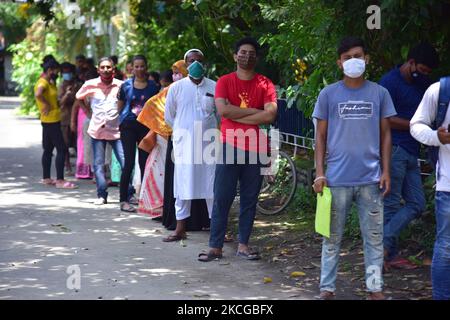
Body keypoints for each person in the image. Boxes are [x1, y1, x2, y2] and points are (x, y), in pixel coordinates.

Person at [312, 37, 396, 300]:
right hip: (335, 181)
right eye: (347, 57)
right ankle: (327, 289)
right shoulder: (328, 94)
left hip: (371, 180)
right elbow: (320, 137)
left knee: (373, 239)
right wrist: (319, 173)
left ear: (366, 59)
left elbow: (386, 135)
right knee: (331, 239)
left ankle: (375, 289)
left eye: (357, 56)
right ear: (339, 63)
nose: (353, 61)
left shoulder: (380, 93)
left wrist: (386, 171)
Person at [198, 37, 278, 262]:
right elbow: (224, 111)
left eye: (251, 53)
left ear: (257, 57)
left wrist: (239, 112)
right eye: (242, 52)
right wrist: (255, 113)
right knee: (222, 196)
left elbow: (271, 114)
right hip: (229, 145)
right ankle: (215, 247)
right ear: (235, 56)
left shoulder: (265, 83)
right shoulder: (224, 81)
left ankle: (244, 245)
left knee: (249, 199)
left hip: (255, 148)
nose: (246, 56)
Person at [379, 42, 439, 270]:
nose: (424, 75)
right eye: (422, 69)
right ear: (411, 62)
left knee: (417, 203)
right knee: (391, 204)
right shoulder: (389, 82)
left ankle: (382, 247)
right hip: (394, 149)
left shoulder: (421, 84)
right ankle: (386, 255)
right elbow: (385, 119)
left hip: (412, 151)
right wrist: (416, 125)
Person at [162, 49, 218, 242]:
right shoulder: (176, 88)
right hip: (184, 143)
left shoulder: (214, 86)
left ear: (204, 64)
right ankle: (180, 229)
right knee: (183, 184)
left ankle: (216, 230)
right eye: (192, 60)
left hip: (209, 144)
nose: (196, 63)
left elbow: (219, 115)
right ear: (186, 65)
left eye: (199, 60)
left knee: (212, 185)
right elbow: (169, 116)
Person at [410, 78, 450, 300]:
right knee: (446, 248)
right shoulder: (440, 91)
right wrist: (437, 136)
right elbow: (416, 125)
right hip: (448, 186)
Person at [75, 57, 132, 204]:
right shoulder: (90, 84)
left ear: (114, 69)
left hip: (117, 131)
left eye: (108, 67)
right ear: (98, 69)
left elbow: (128, 101)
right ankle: (102, 195)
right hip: (97, 130)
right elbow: (78, 97)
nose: (106, 70)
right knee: (98, 165)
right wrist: (87, 111)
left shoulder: (122, 85)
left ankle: (129, 193)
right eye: (103, 67)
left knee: (125, 163)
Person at [137, 60, 186, 218]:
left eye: (179, 72)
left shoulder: (191, 89)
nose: (175, 75)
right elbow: (152, 106)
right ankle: (159, 209)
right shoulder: (170, 90)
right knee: (160, 172)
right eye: (174, 72)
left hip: (182, 138)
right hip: (164, 138)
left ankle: (170, 210)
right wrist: (162, 125)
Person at [117, 55, 159, 212]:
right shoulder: (125, 86)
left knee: (145, 163)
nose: (139, 69)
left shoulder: (153, 87)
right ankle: (123, 200)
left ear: (146, 67)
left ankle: (145, 198)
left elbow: (156, 109)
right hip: (128, 127)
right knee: (128, 163)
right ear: (132, 68)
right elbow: (119, 108)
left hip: (146, 128)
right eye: (136, 66)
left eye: (142, 66)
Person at [34, 59, 77, 189]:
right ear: (50, 70)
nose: (58, 73)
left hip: (49, 120)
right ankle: (60, 180)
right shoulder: (43, 82)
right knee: (62, 149)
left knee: (48, 150)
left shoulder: (50, 82)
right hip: (51, 121)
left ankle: (46, 178)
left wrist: (64, 96)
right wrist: (46, 104)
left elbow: (56, 103)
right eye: (56, 70)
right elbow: (38, 94)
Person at [58, 62, 82, 176]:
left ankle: (80, 165)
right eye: (64, 72)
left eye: (68, 71)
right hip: (64, 118)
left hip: (78, 118)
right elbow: (60, 103)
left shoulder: (78, 85)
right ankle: (67, 164)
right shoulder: (60, 86)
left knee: (78, 143)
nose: (66, 74)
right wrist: (67, 94)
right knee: (65, 143)